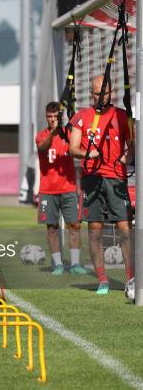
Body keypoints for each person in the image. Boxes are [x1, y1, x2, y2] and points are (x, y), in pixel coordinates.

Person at [68, 75, 134, 295]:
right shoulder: (82, 116)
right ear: (91, 94)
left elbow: (132, 143)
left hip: (116, 178)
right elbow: (72, 148)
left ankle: (130, 278)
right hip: (92, 179)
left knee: (124, 227)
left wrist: (128, 155)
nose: (100, 97)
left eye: (104, 93)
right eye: (96, 93)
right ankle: (103, 279)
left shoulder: (122, 116)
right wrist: (88, 152)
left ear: (111, 93)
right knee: (95, 230)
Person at [35, 101, 87, 275]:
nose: (52, 120)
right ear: (46, 117)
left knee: (74, 225)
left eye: (55, 116)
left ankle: (75, 264)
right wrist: (53, 132)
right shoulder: (41, 135)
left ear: (60, 116)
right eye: (49, 117)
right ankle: (58, 264)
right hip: (47, 190)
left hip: (69, 188)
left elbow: (78, 151)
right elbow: (43, 148)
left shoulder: (69, 135)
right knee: (52, 227)